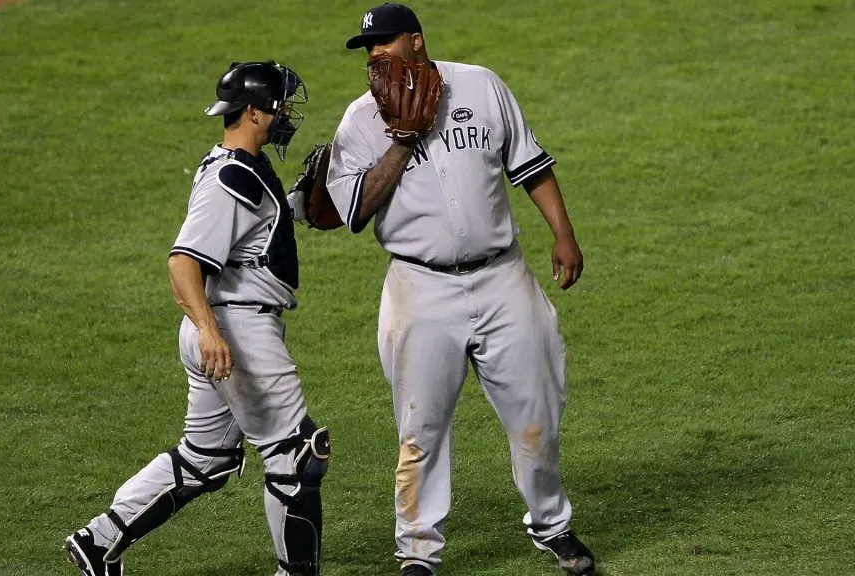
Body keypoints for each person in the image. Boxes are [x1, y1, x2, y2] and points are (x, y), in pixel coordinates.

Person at [322, 3, 595, 575]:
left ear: (416, 41)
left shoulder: (482, 86)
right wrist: (400, 140)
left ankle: (553, 526)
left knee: (537, 411)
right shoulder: (360, 121)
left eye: (385, 42)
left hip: (504, 277)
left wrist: (563, 235)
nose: (374, 55)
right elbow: (351, 210)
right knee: (420, 428)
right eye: (366, 48)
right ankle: (418, 552)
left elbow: (531, 166)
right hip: (419, 289)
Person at [63, 61, 330, 576]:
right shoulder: (230, 178)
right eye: (279, 106)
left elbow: (256, 227)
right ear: (253, 112)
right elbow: (183, 263)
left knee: (206, 455)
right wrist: (210, 331)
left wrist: (298, 202)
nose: (286, 115)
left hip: (227, 326)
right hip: (236, 331)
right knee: (298, 456)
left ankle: (99, 541)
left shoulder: (237, 165)